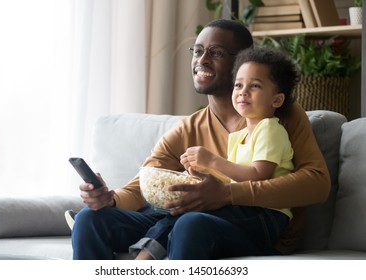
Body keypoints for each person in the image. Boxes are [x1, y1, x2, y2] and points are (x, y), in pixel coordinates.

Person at [71, 19, 330, 260]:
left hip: (254, 228)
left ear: (243, 61)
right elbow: (141, 186)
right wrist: (109, 199)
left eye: (215, 53)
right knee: (90, 220)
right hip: (191, 217)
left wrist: (226, 194)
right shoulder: (187, 129)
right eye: (197, 51)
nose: (202, 60)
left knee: (191, 220)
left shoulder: (279, 115)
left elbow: (317, 183)